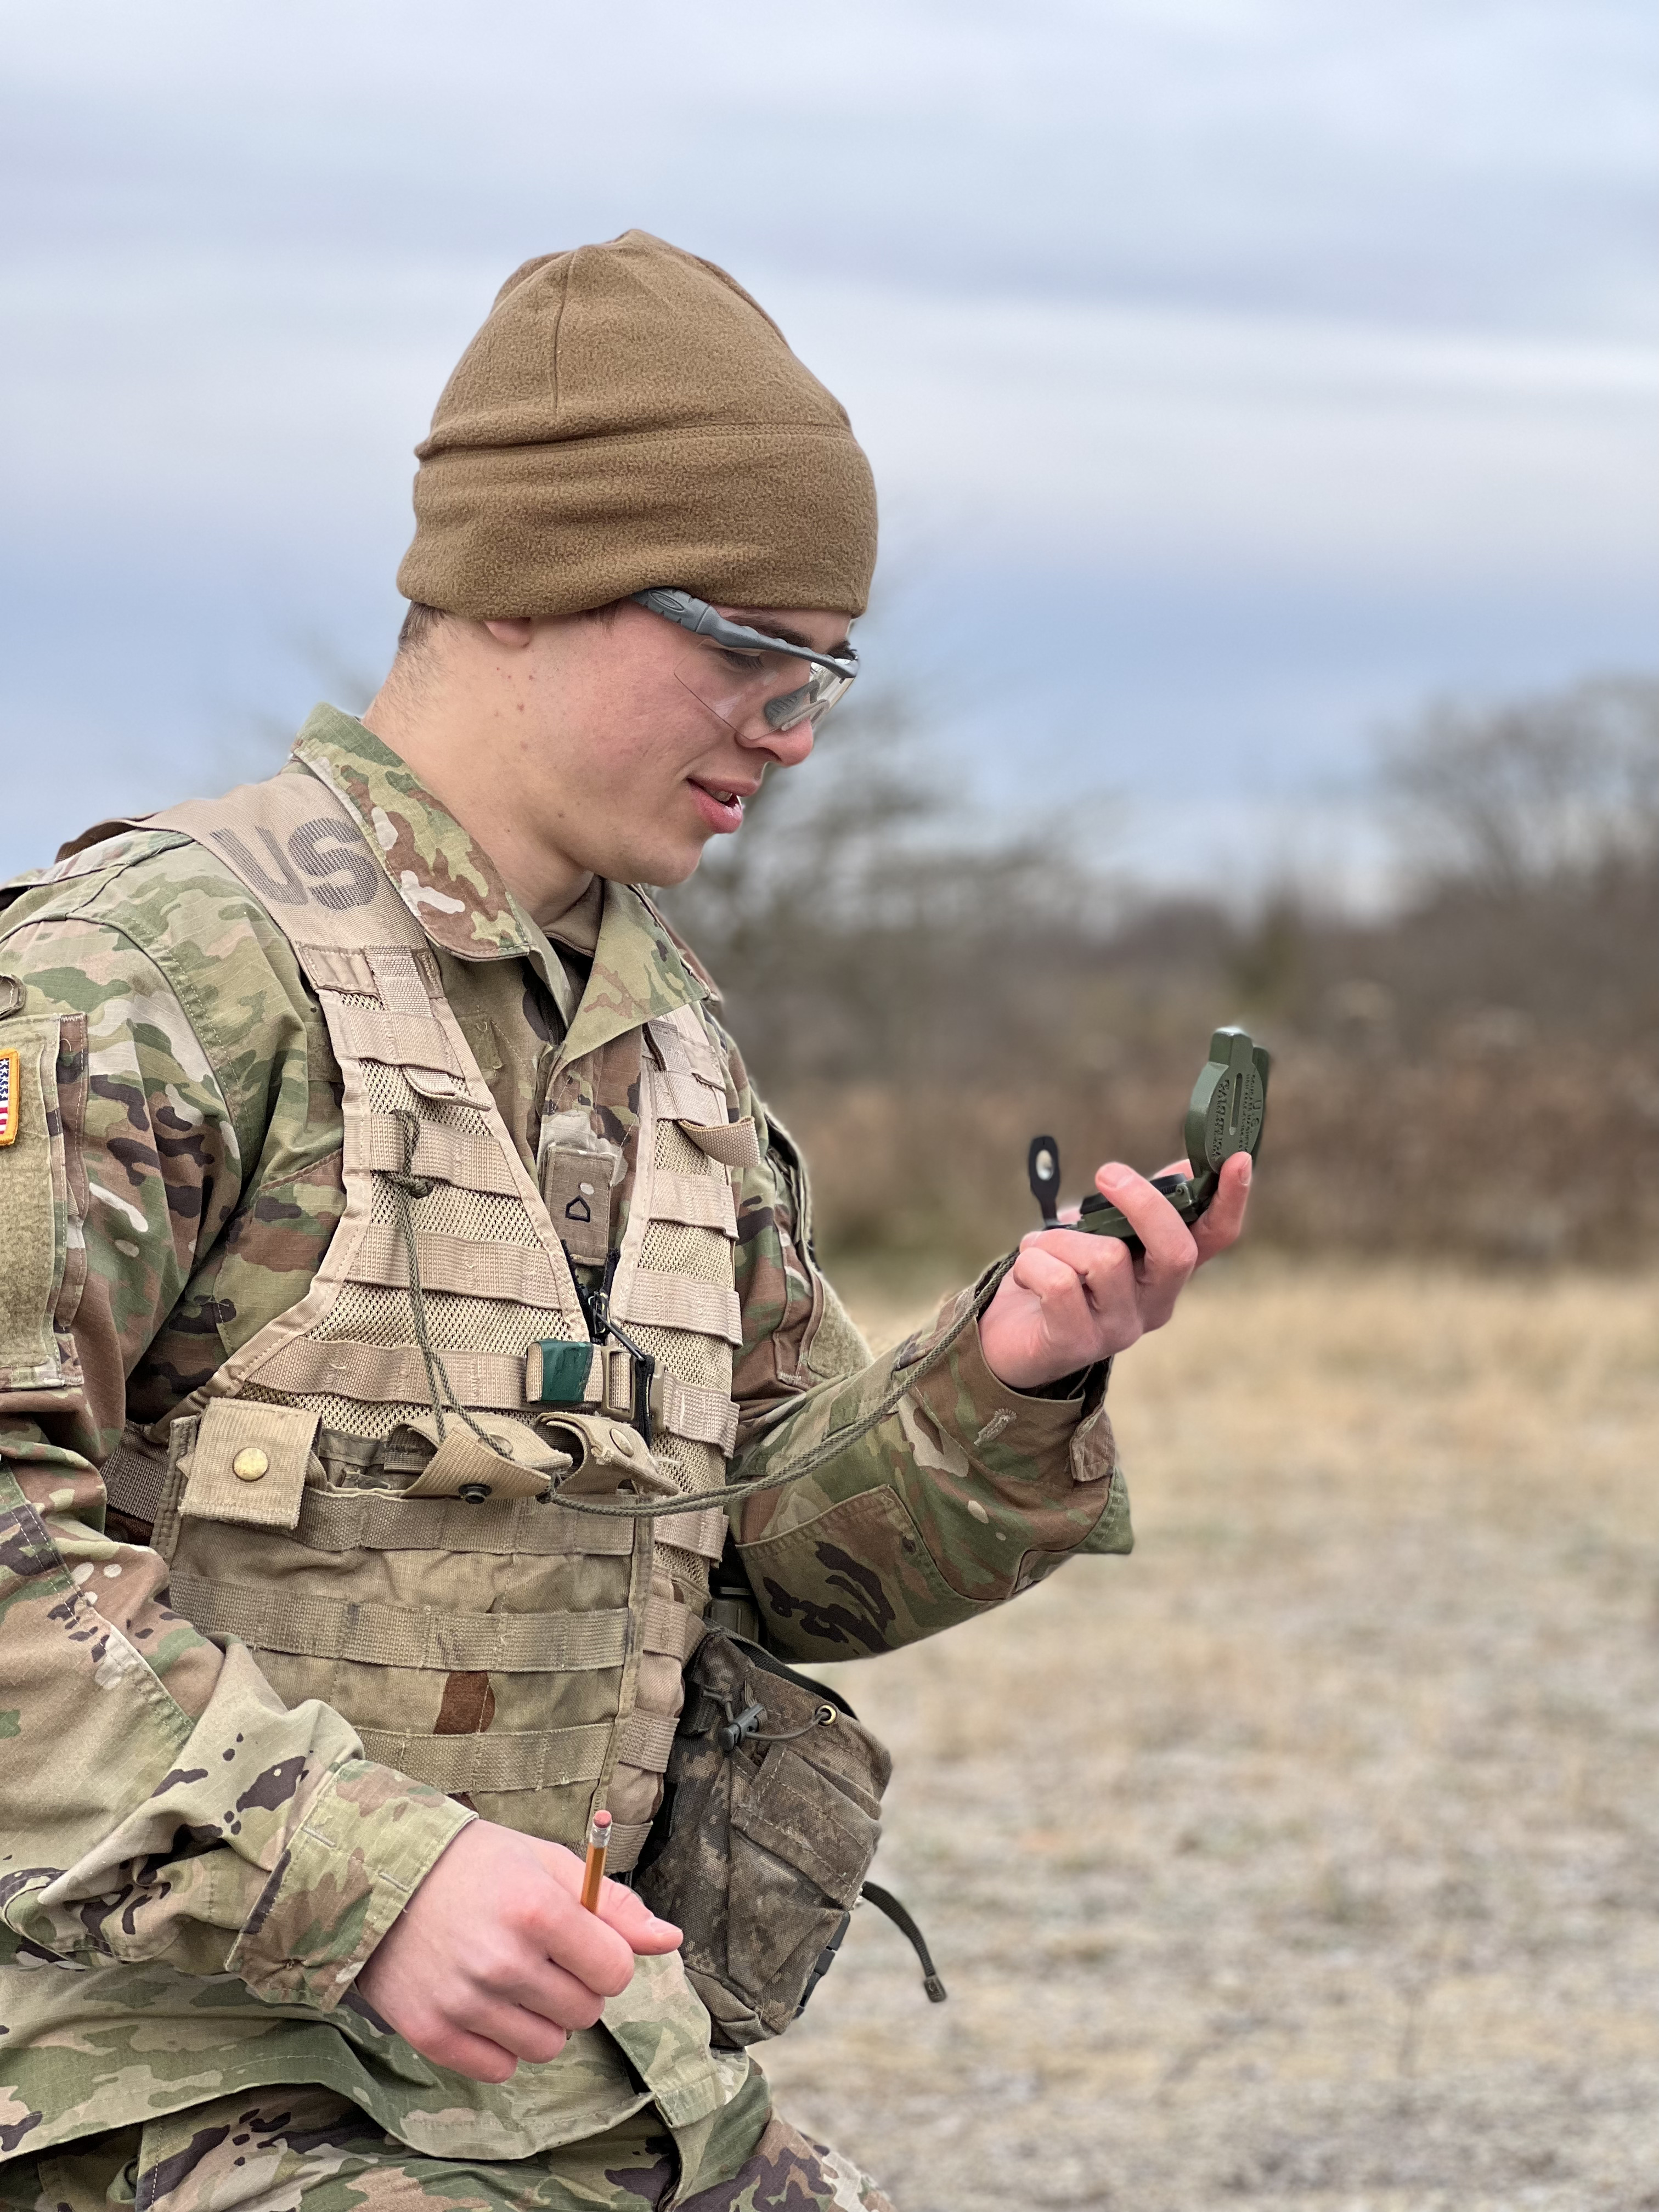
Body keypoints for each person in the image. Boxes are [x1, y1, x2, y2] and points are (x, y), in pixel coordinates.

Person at [0, 232, 1250, 2212]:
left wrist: (1009, 1376)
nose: (793, 726)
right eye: (747, 645)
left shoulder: (666, 1058)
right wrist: (372, 1877)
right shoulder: (151, 979)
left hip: (575, 2087)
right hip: (144, 2083)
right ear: (520, 584)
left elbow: (764, 1566)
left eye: (825, 667)